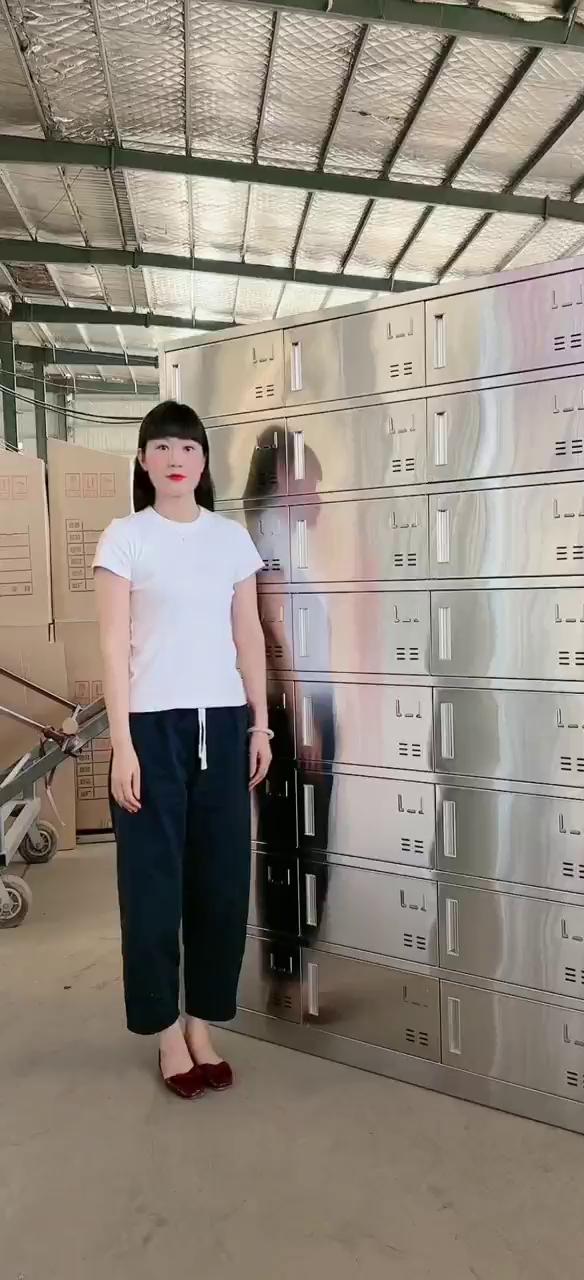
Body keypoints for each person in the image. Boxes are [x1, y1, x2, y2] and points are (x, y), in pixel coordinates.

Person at [93, 400, 272, 1100]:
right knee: (152, 889)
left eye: (189, 448)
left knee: (221, 885)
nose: (176, 459)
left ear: (203, 462)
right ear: (143, 461)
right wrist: (122, 745)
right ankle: (166, 1030)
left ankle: (202, 1022)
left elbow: (249, 635)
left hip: (222, 728)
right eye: (162, 447)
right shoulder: (125, 538)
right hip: (152, 732)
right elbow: (112, 647)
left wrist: (260, 725)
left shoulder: (229, 539)